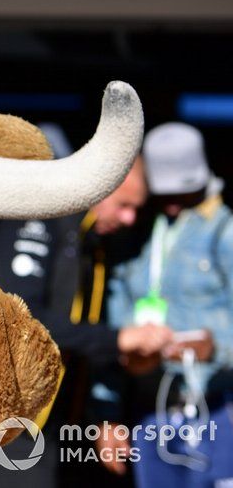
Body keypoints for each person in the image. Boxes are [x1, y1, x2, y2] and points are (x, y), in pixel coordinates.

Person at [0, 125, 171, 488]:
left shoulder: (93, 241)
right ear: (101, 188)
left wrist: (104, 416)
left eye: (136, 210)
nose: (129, 220)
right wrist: (118, 340)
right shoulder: (39, 216)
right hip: (1, 420)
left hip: (55, 424)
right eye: (124, 206)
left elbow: (85, 326)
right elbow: (18, 315)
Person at [98, 122, 233, 487]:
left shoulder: (225, 231)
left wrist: (216, 346)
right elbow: (111, 332)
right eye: (164, 192)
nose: (172, 202)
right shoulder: (135, 234)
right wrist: (107, 415)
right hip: (150, 411)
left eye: (184, 192)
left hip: (217, 409)